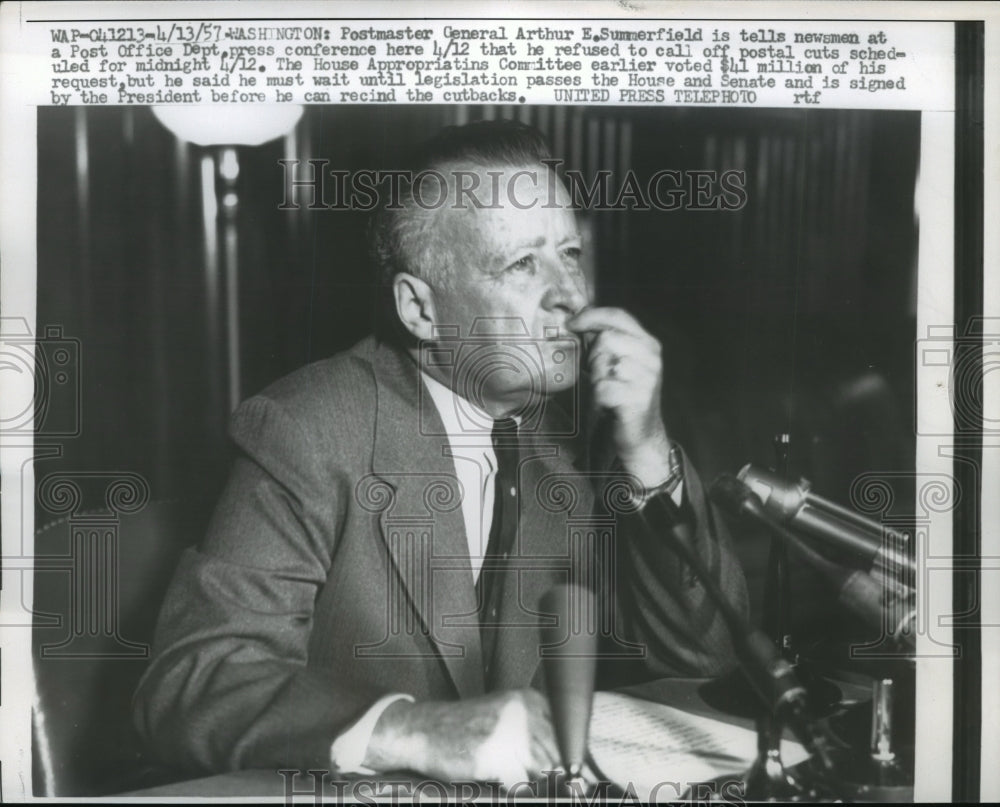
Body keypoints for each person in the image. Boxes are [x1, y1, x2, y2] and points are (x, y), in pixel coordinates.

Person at [133, 119, 748, 786]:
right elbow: (192, 686)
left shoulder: (577, 438)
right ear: (421, 310)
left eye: (570, 254)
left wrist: (647, 448)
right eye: (522, 264)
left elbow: (705, 655)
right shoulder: (305, 429)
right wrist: (416, 729)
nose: (570, 294)